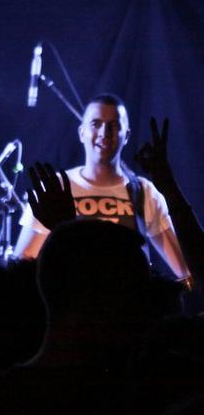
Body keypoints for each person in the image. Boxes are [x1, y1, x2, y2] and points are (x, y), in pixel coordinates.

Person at [14, 93, 190, 282]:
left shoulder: (143, 191)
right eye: (96, 124)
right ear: (81, 132)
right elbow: (21, 266)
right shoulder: (55, 187)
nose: (104, 133)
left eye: (114, 125)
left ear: (126, 135)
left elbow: (188, 269)